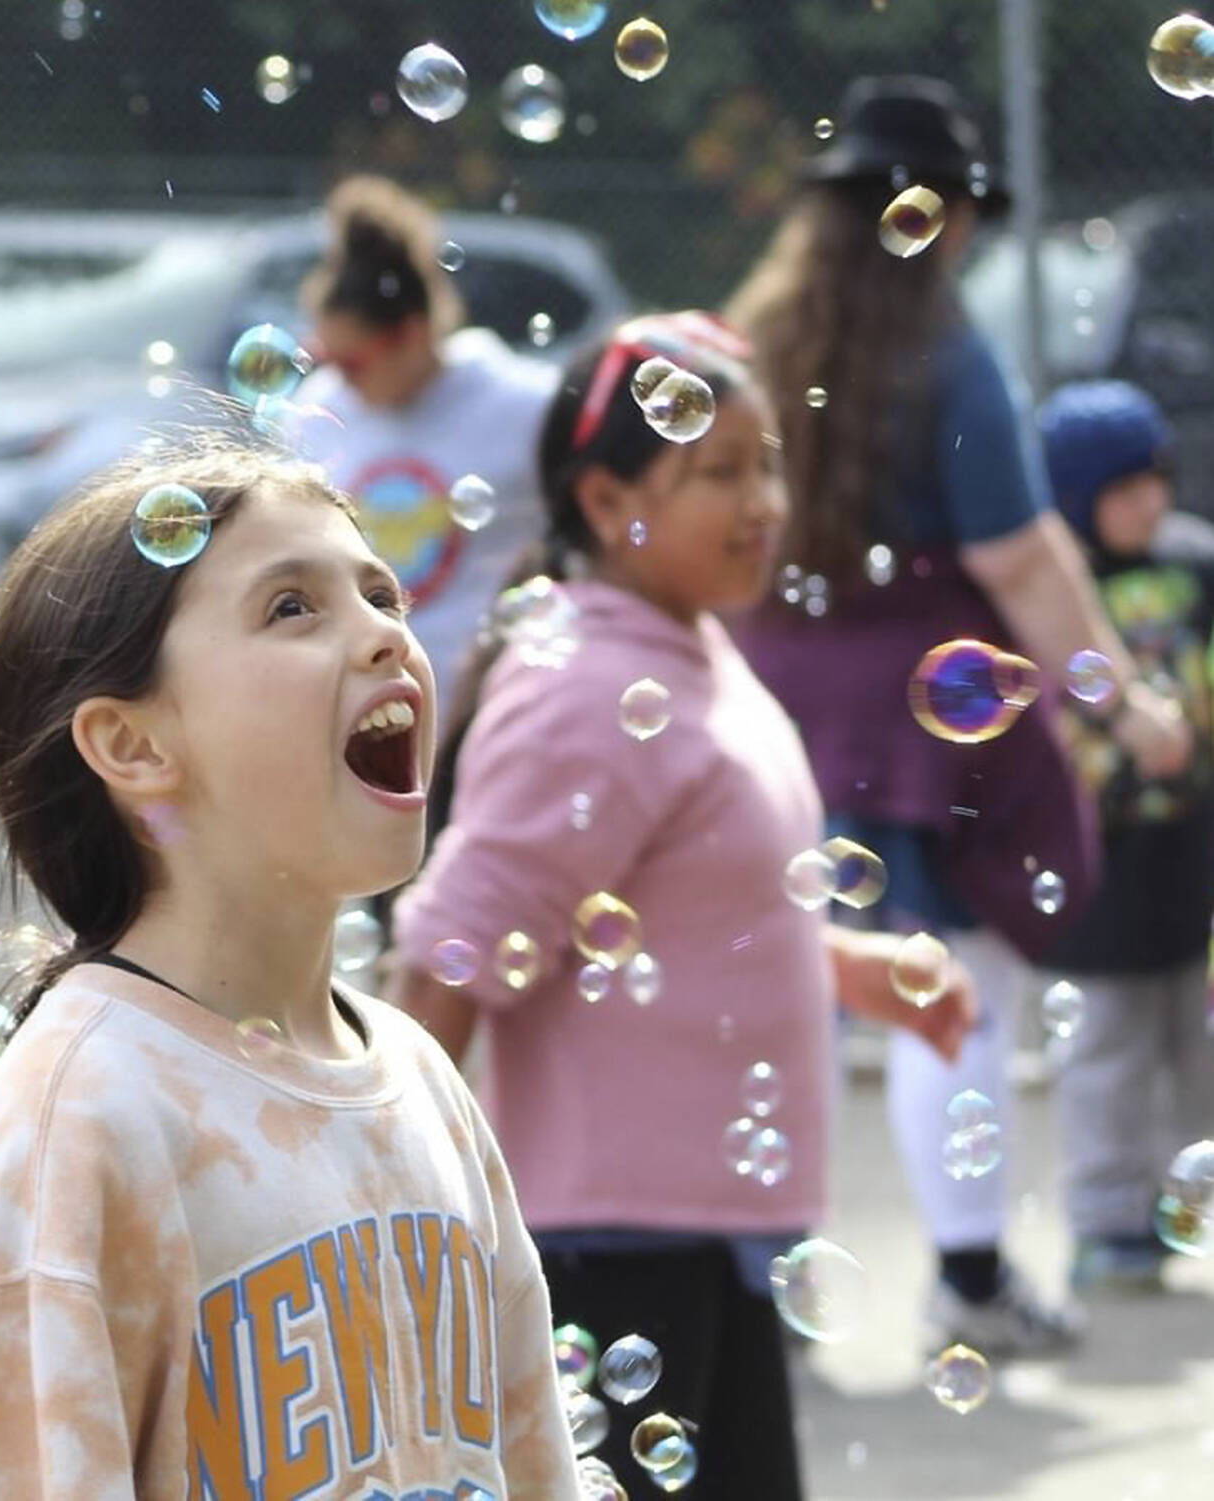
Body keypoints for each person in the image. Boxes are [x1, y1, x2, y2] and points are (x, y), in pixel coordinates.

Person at [390, 311, 975, 1498]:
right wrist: (406, 1212)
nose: (762, 500)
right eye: (719, 471)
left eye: (768, 464)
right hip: (609, 1250)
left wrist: (840, 962)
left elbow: (695, 901)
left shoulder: (681, 647)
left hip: (700, 1236)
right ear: (607, 503)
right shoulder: (592, 685)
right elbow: (453, 956)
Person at [0, 433, 579, 1498]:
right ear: (136, 747)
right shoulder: (81, 1116)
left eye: (383, 594)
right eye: (293, 607)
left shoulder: (420, 1077)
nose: (385, 635)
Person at [725, 75, 1192, 1356]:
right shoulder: (944, 351)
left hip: (766, 707)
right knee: (953, 994)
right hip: (923, 725)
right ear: (935, 221)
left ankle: (765, 1288)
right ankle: (972, 1283)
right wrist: (1126, 700)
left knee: (786, 991)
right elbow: (1026, 561)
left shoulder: (753, 338)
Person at [1036, 379, 1214, 1293]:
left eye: (1158, 482)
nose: (1150, 503)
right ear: (1073, 500)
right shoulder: (1055, 589)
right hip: (1093, 864)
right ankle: (1111, 1222)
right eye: (1123, 488)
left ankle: (1192, 1204)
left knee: (1198, 1042)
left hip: (1189, 853)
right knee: (1106, 1047)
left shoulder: (1195, 564)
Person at [293, 173, 558, 719]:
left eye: (354, 362)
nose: (340, 379)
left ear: (412, 333)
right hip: (365, 709)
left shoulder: (525, 405)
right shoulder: (318, 413)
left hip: (495, 707)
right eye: (327, 357)